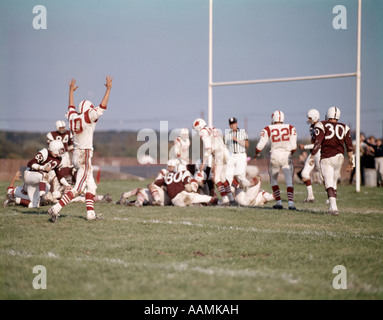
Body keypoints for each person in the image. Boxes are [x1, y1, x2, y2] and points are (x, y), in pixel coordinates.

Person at [48, 76, 113, 222]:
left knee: (92, 188)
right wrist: (108, 89)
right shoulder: (88, 116)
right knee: (77, 189)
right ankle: (55, 209)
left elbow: (70, 108)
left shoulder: (72, 118)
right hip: (84, 156)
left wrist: (71, 91)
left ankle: (90, 215)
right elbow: (102, 106)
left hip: (76, 155)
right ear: (88, 109)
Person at [309, 106, 354, 215]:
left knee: (328, 182)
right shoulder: (345, 127)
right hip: (339, 157)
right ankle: (332, 204)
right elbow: (349, 146)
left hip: (327, 157)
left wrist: (312, 156)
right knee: (333, 181)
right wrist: (351, 161)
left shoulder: (321, 125)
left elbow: (318, 142)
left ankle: (333, 207)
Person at [3, 140, 70, 208]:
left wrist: (67, 185)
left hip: (38, 180)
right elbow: (30, 163)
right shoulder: (45, 153)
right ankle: (42, 196)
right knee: (44, 177)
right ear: (54, 149)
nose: (60, 152)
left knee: (34, 205)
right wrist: (42, 167)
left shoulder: (59, 160)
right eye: (59, 150)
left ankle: (13, 199)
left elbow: (59, 176)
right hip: (30, 174)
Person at [253, 110, 297, 210]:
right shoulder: (291, 128)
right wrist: (289, 154)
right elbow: (294, 147)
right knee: (289, 181)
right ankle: (291, 204)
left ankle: (279, 202)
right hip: (286, 155)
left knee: (273, 180)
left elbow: (259, 147)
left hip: (275, 156)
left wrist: (255, 154)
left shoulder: (268, 128)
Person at [192, 118, 236, 205]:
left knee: (216, 178)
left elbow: (208, 148)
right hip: (225, 151)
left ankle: (224, 198)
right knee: (223, 177)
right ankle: (231, 199)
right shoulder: (212, 128)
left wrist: (204, 162)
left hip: (218, 153)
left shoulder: (203, 132)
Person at [154, 159, 218, 207]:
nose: (170, 168)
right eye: (169, 167)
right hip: (184, 195)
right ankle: (219, 202)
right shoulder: (185, 173)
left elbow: (156, 182)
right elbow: (189, 188)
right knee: (205, 199)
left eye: (172, 167)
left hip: (174, 201)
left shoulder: (168, 175)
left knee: (195, 204)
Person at [298, 109, 322, 202]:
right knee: (304, 173)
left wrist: (305, 147)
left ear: (315, 117)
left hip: (319, 153)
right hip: (313, 153)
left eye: (310, 117)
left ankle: (331, 197)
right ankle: (310, 197)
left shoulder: (319, 127)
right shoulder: (312, 127)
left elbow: (318, 144)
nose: (308, 119)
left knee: (323, 176)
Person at [224, 117, 249, 188]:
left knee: (240, 175)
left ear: (237, 123)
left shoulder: (242, 132)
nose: (232, 126)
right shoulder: (227, 134)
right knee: (228, 176)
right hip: (231, 155)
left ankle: (251, 186)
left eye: (234, 124)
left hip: (240, 155)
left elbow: (247, 144)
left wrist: (237, 140)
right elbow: (225, 146)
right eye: (231, 124)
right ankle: (230, 196)